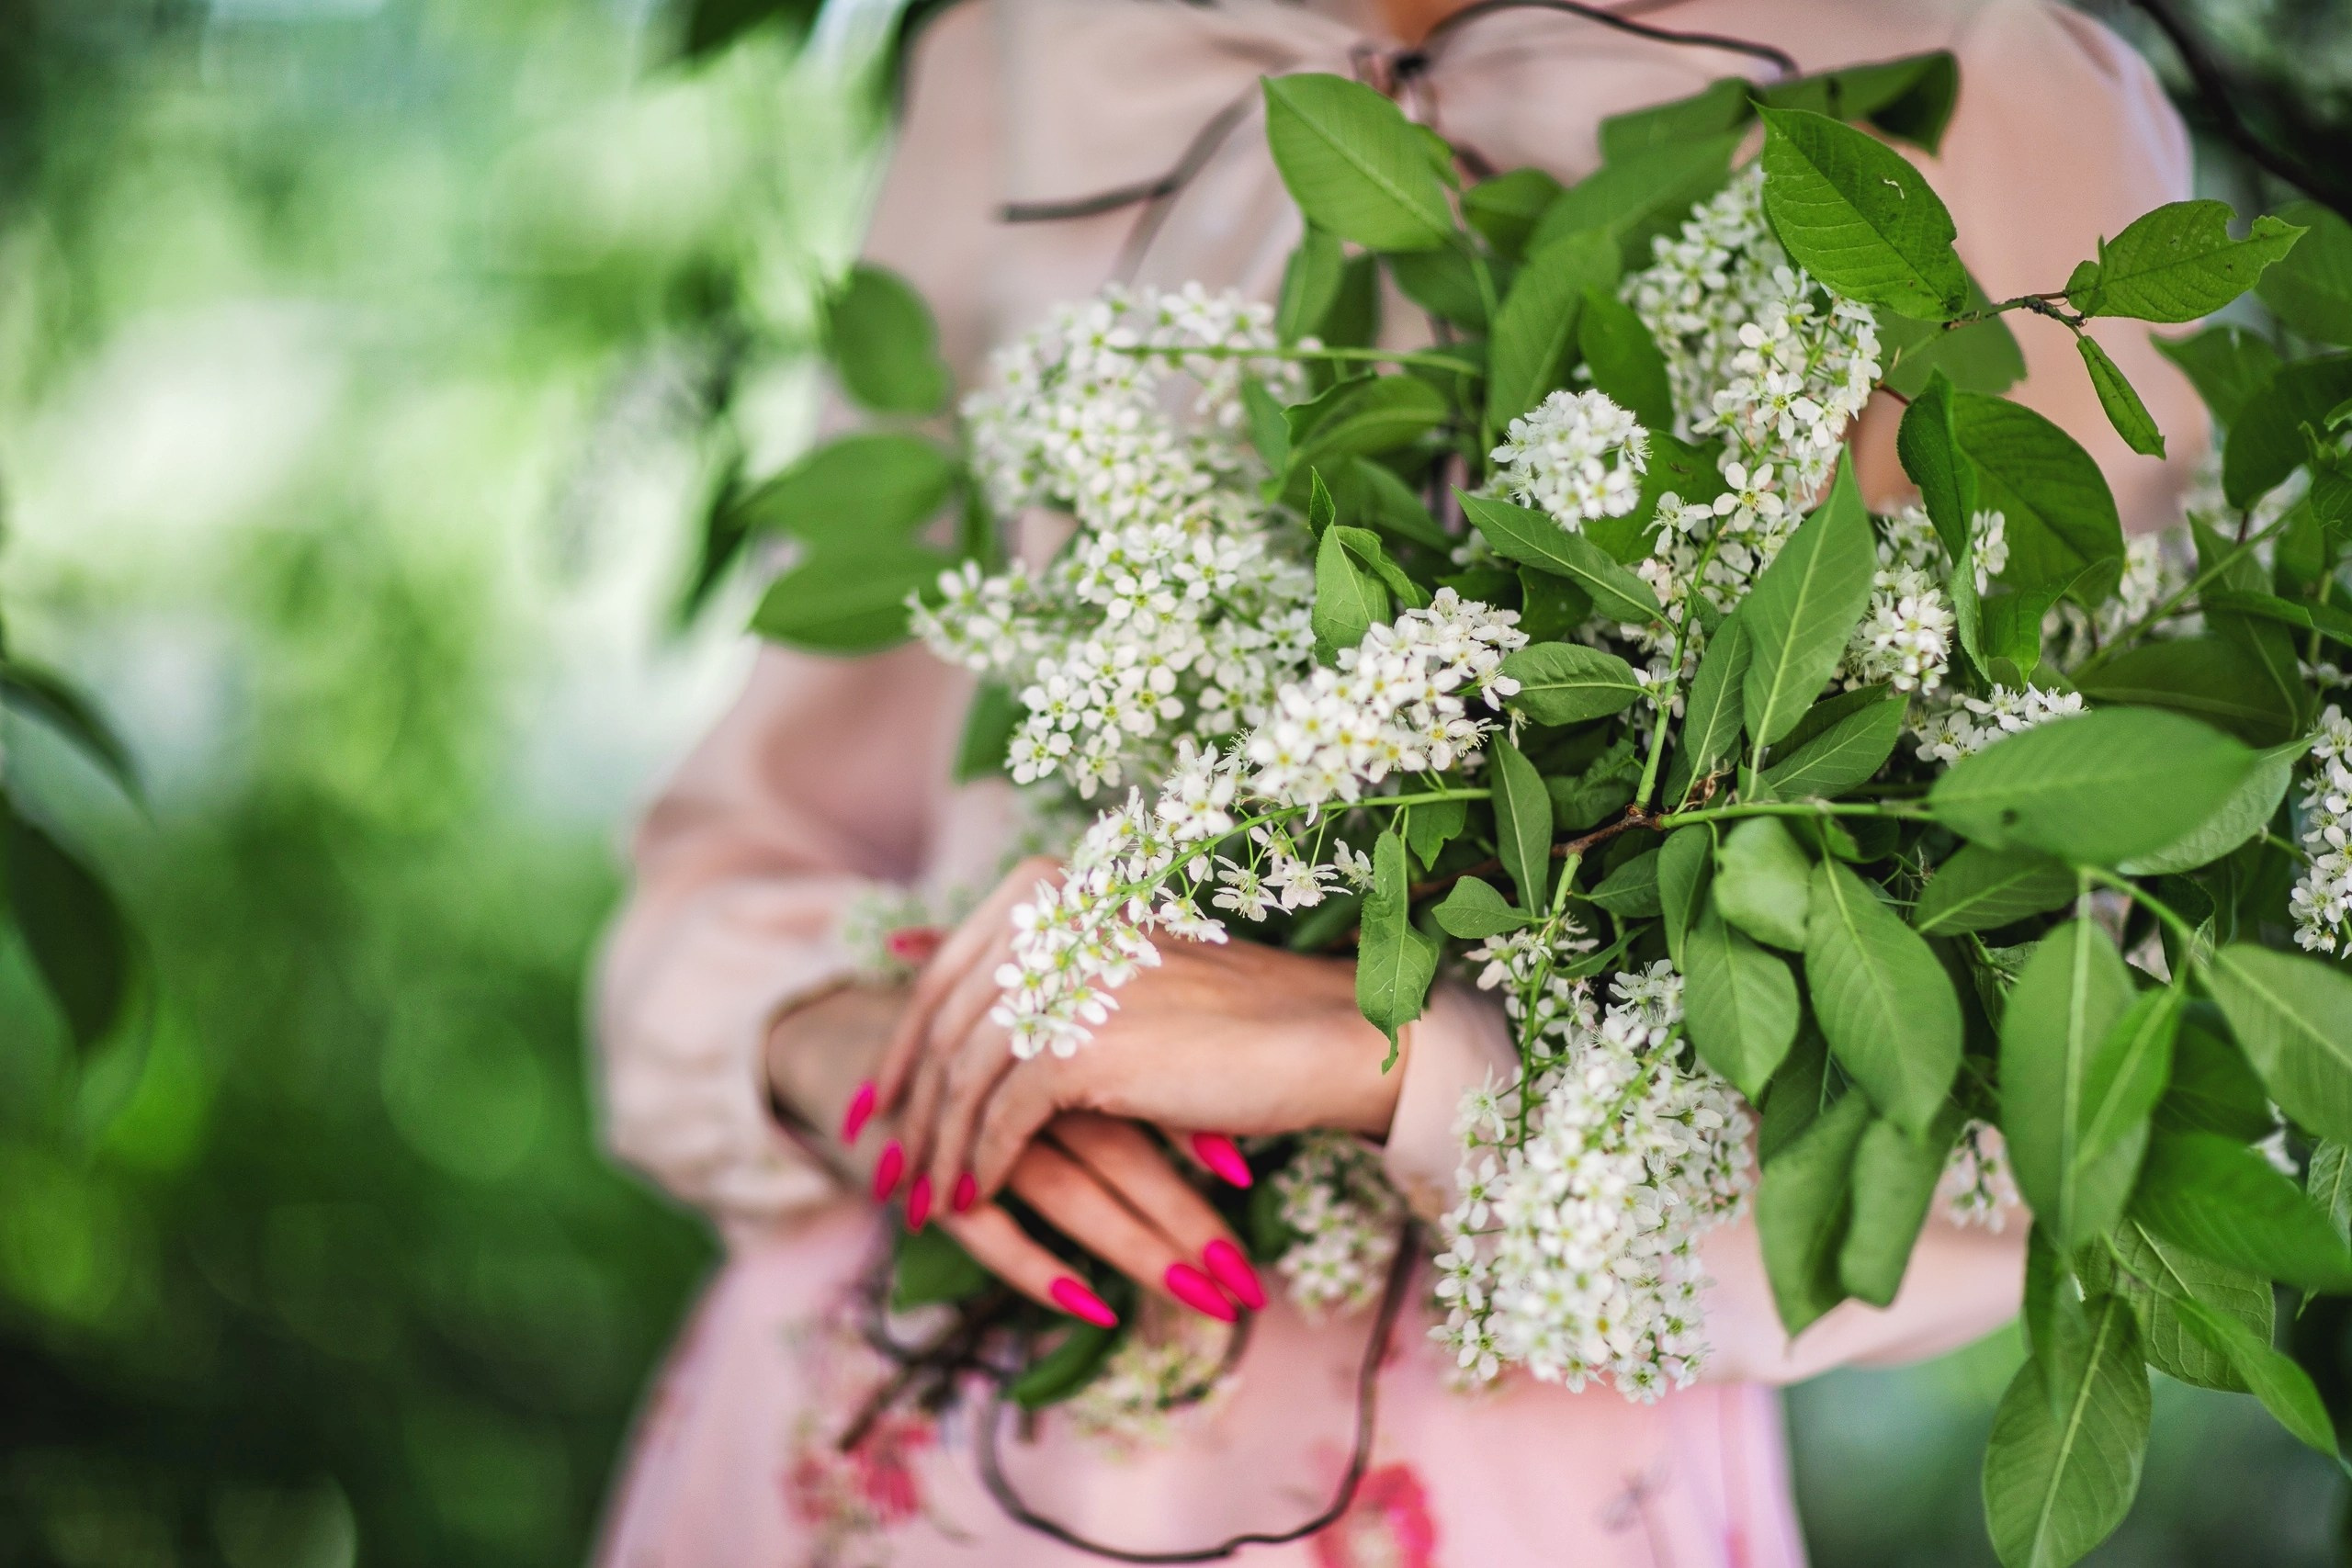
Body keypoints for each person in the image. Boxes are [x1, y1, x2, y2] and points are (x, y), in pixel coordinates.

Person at [592, 1, 2204, 1562]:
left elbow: (2051, 1106)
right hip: (880, 1400)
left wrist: (1403, 1066)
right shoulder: (1033, 45)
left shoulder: (1978, 75)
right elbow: (742, 867)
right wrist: (853, 1043)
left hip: (1498, 1459)